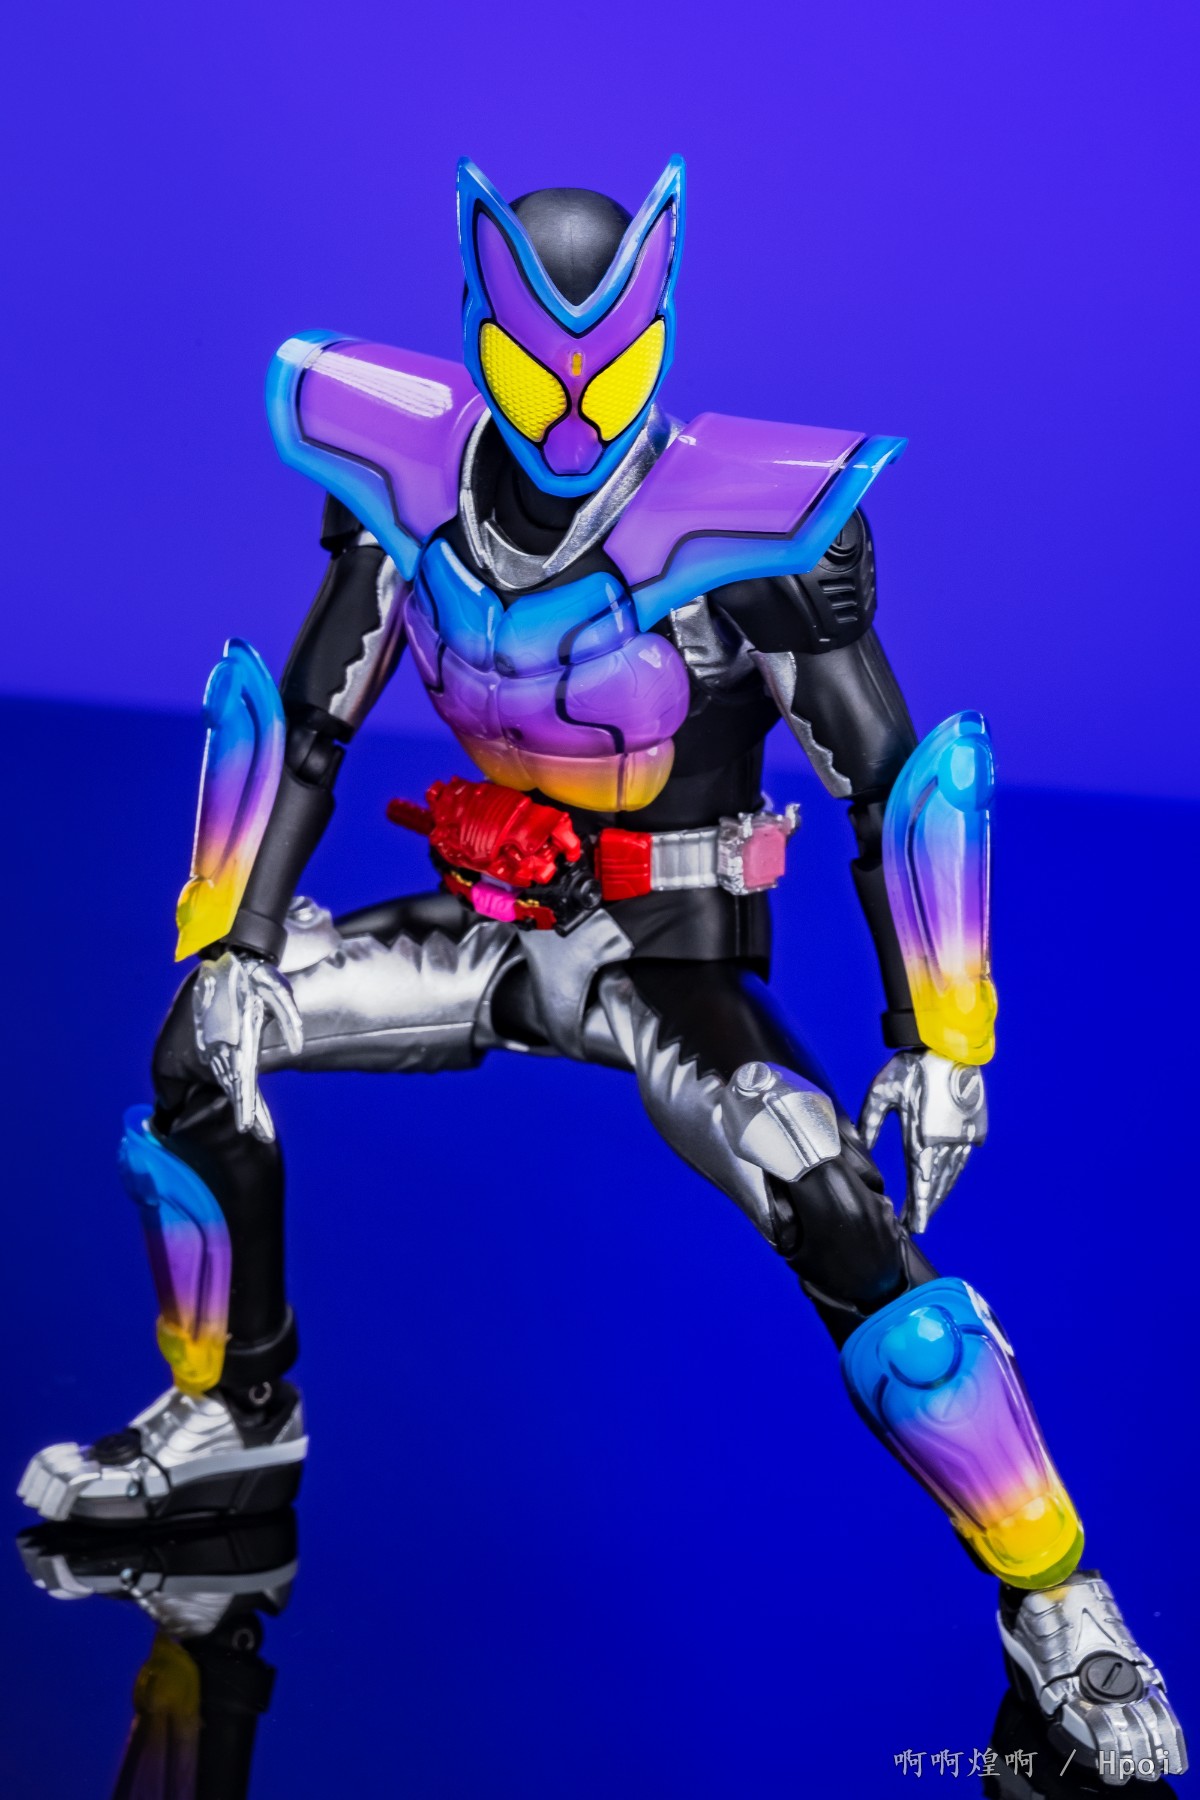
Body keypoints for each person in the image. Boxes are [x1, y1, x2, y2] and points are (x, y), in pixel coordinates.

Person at [19, 157, 1185, 1782]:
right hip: (487, 926)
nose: (573, 411)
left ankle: (1058, 1596)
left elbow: (894, 779)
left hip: (667, 956)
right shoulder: (405, 486)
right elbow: (303, 724)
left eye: (611, 367)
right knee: (199, 1053)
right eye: (534, 366)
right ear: (481, 333)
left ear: (660, 336)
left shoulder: (750, 529)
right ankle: (235, 1421)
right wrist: (233, 937)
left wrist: (942, 1036)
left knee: (836, 1206)